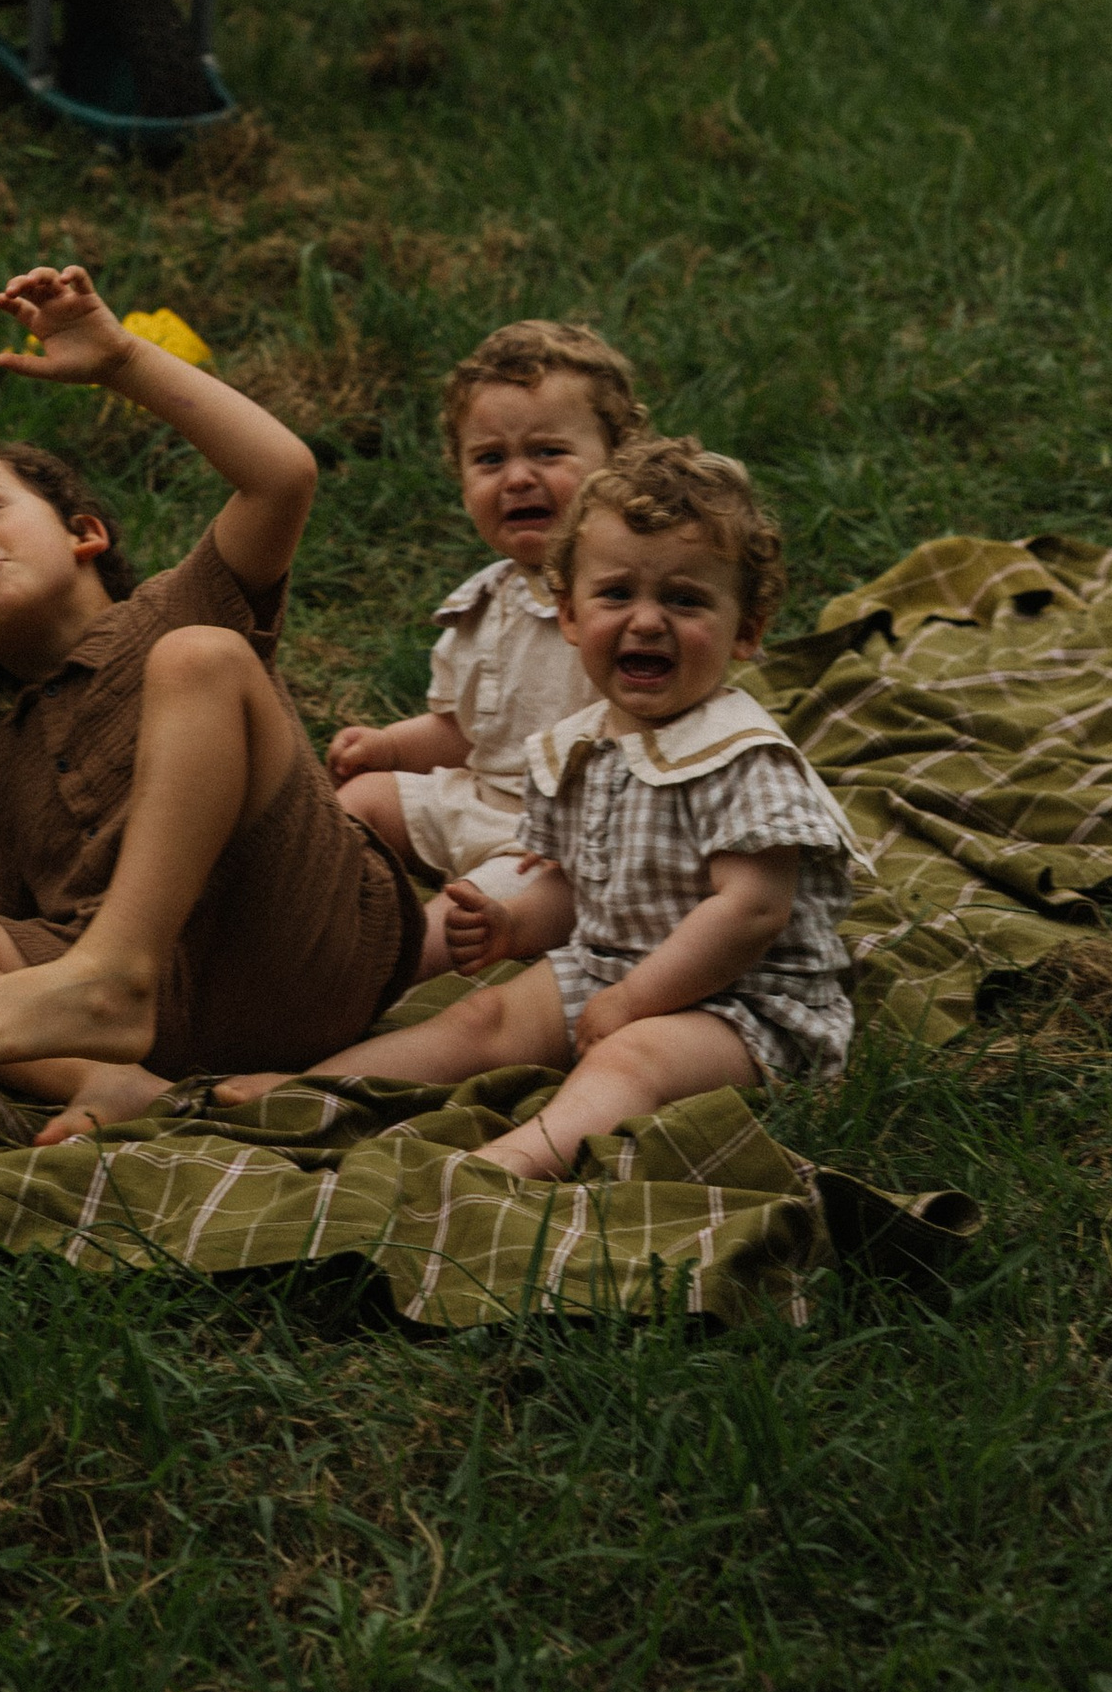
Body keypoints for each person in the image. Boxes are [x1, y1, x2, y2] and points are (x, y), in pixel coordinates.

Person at [0, 261, 420, 1145]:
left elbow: (282, 476)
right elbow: (11, 925)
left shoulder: (180, 606)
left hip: (301, 940)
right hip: (182, 1033)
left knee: (201, 661)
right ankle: (110, 1084)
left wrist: (122, 362)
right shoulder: (1, 762)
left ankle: (120, 972)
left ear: (85, 532)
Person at [244, 436, 857, 1179]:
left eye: (685, 599)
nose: (646, 621)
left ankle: (506, 1166)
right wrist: (513, 924)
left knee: (632, 1058)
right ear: (569, 615)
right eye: (616, 594)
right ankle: (313, 1089)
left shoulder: (740, 754)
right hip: (610, 968)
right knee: (482, 1015)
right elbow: (575, 883)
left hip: (745, 1009)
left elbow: (750, 912)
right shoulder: (576, 747)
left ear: (748, 631)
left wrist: (635, 1001)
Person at [324, 319, 643, 979]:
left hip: (556, 846)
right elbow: (467, 732)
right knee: (359, 802)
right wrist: (387, 748)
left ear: (619, 460)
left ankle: (362, 974)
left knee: (460, 920)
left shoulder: (625, 601)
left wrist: (593, 839)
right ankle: (297, 911)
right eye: (490, 460)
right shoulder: (485, 601)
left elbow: (651, 741)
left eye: (549, 453)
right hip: (476, 800)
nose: (518, 478)